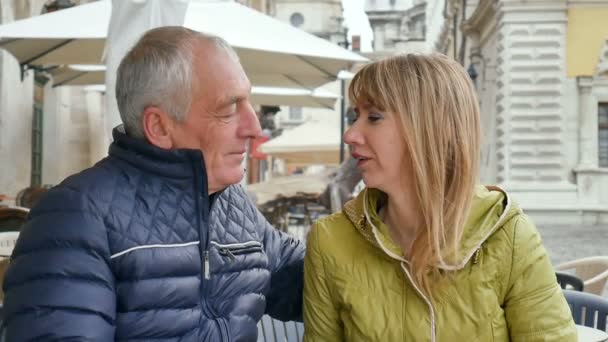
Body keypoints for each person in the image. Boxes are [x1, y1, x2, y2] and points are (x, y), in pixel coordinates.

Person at [2, 26, 304, 341]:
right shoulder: (74, 218)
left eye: (248, 103)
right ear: (159, 126)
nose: (254, 128)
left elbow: (313, 280)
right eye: (229, 108)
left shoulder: (232, 204)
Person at [303, 54, 576, 341]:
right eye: (353, 117)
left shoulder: (508, 235)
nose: (350, 134)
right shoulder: (330, 240)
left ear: (430, 127)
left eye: (374, 117)